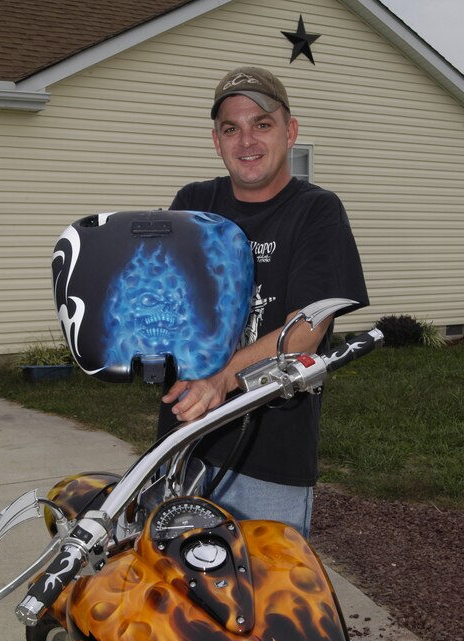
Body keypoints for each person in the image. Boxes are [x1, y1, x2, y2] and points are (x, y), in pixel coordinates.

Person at [158, 66, 369, 537]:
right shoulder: (193, 204)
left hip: (269, 461)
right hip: (181, 447)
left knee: (264, 604)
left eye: (262, 124)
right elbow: (166, 305)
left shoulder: (317, 212)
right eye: (231, 128)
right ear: (216, 141)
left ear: (290, 131)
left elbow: (305, 331)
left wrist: (220, 379)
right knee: (175, 599)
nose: (246, 140)